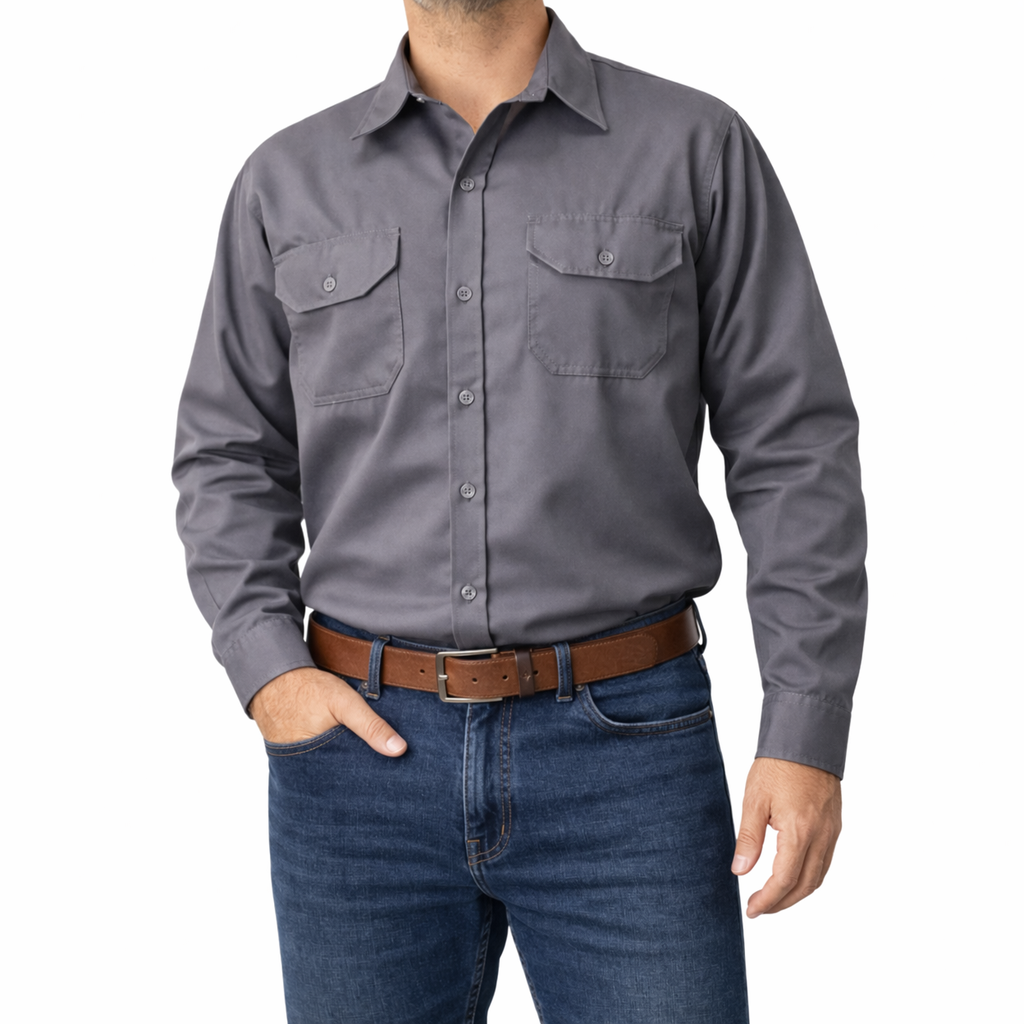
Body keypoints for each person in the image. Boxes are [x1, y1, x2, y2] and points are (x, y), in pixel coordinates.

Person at [172, 1, 867, 1020]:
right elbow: (229, 452)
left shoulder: (693, 146)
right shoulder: (286, 179)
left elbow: (794, 444)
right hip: (357, 769)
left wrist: (804, 727)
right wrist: (268, 669)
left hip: (627, 754)